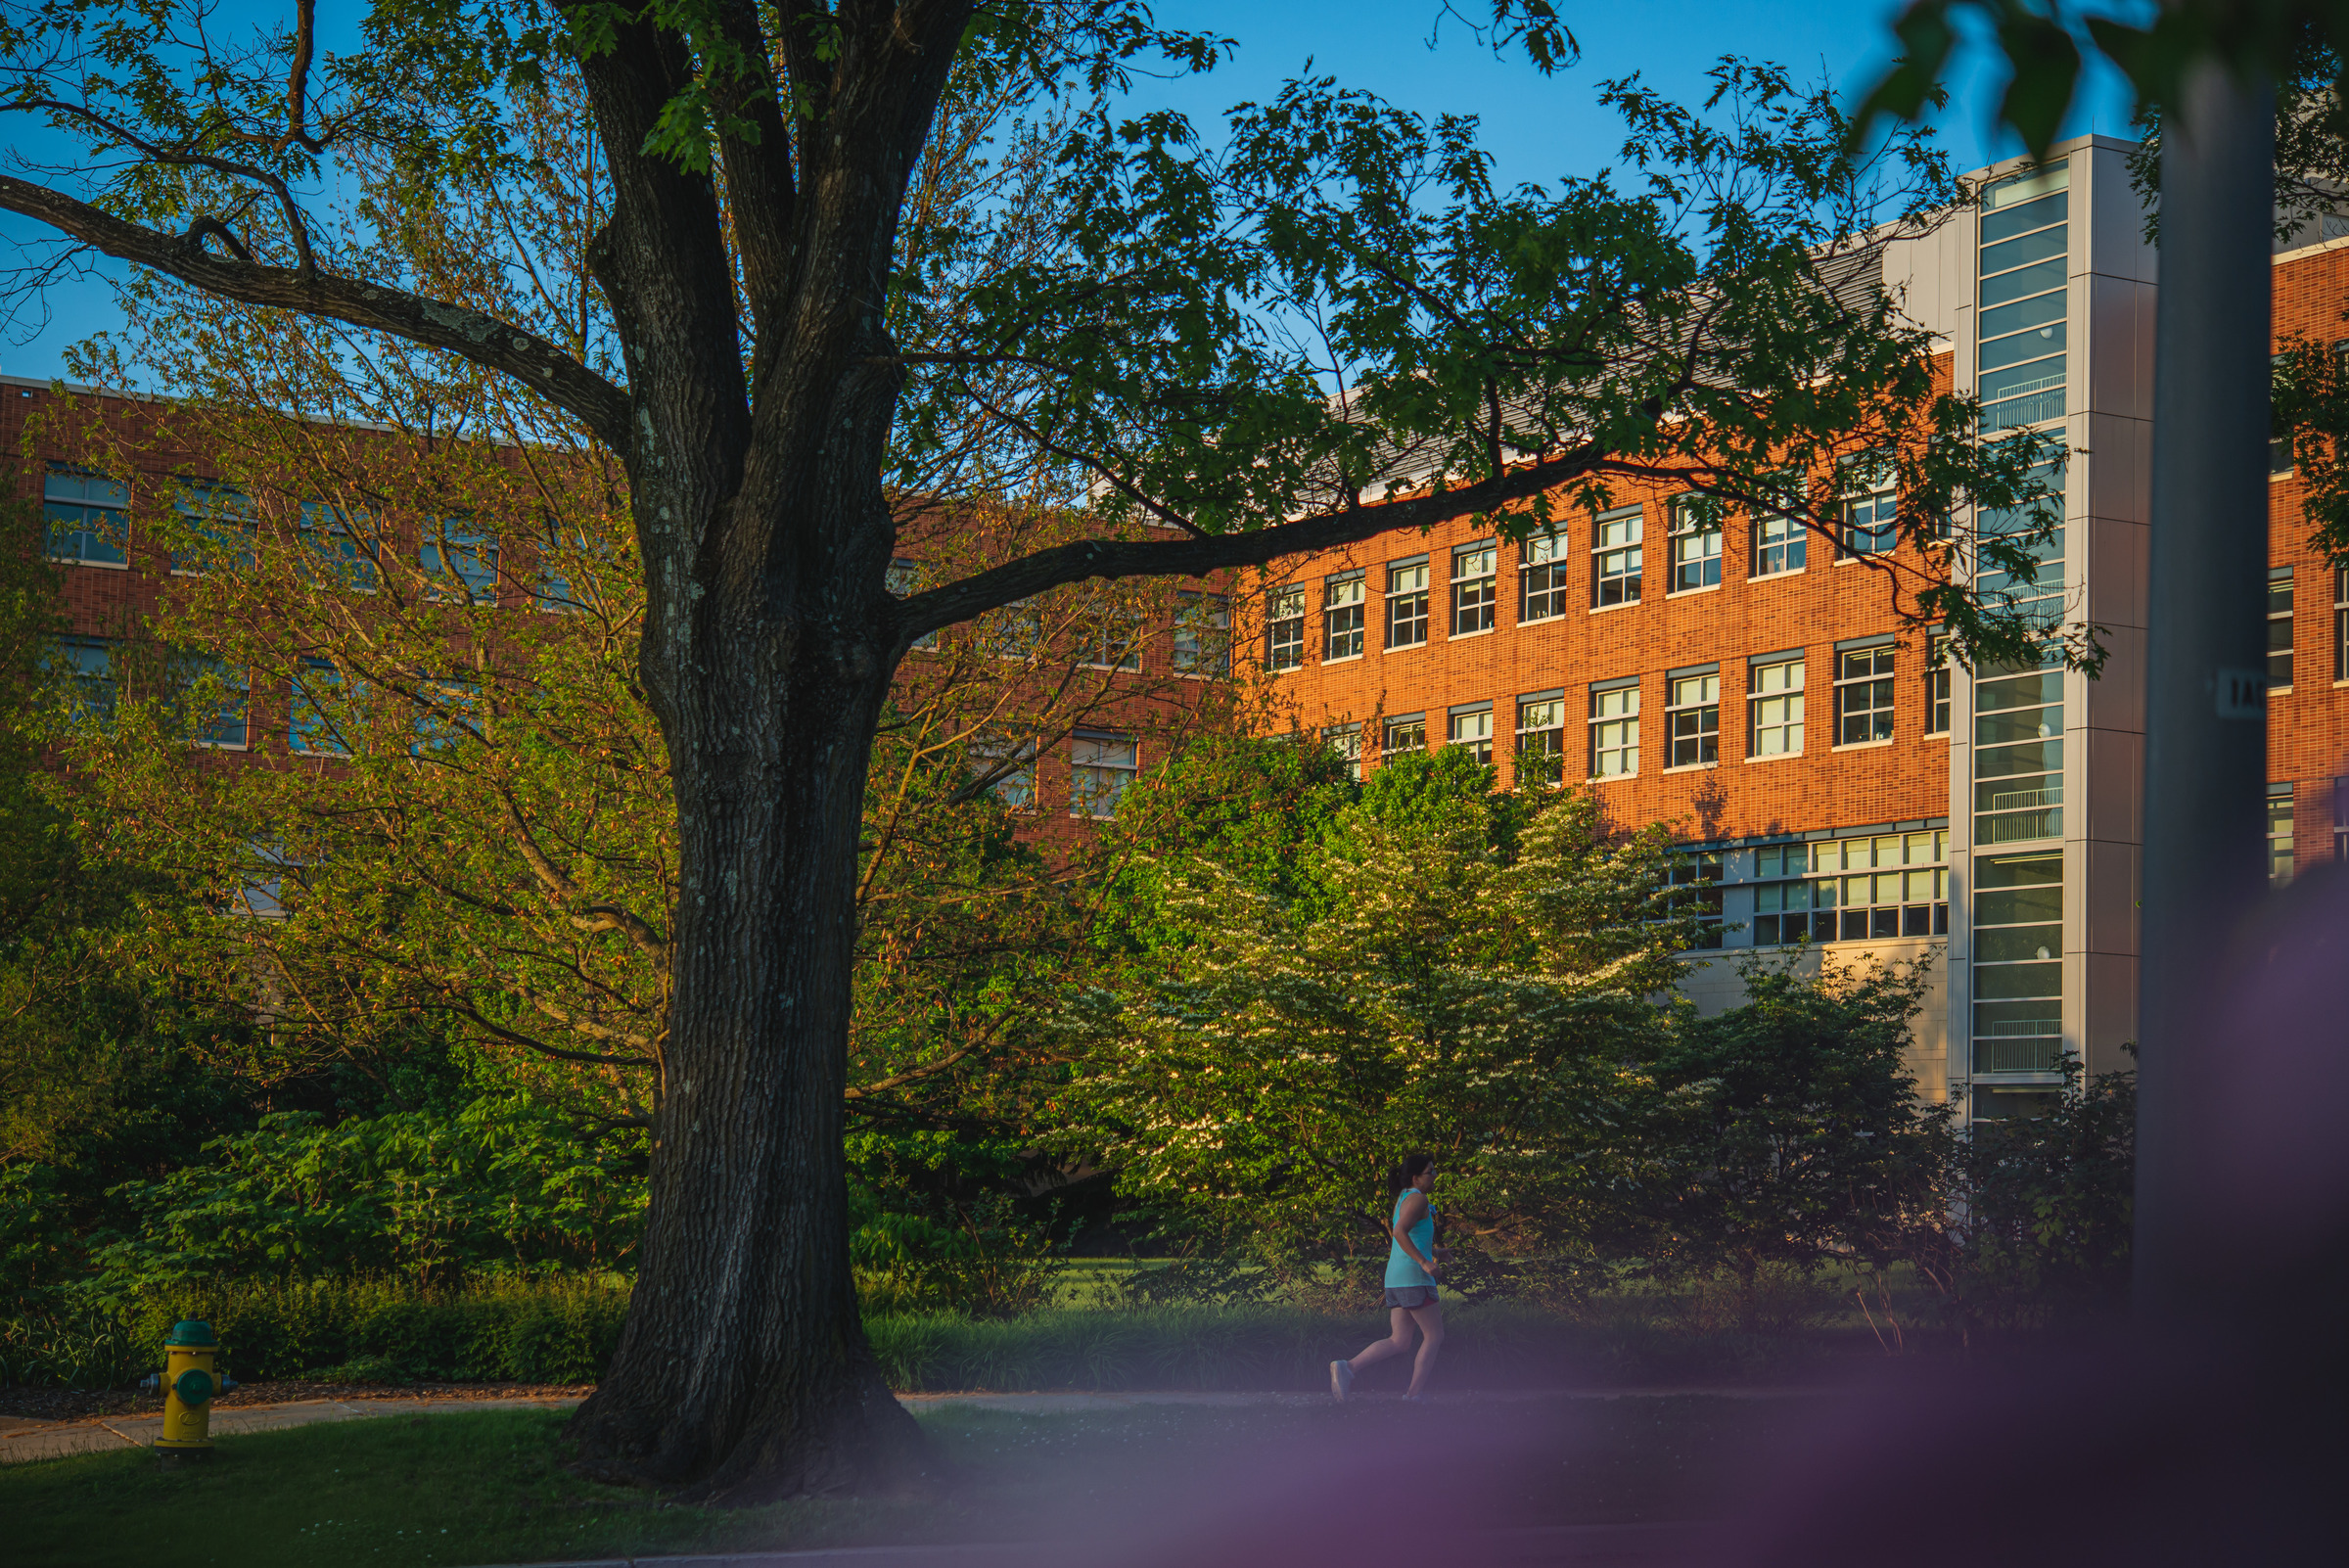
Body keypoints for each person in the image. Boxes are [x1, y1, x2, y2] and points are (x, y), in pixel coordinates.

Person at [1329, 1151, 1448, 1403]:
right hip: (1414, 1278)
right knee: (1434, 1336)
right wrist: (1425, 1262)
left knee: (1400, 1340)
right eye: (1431, 1171)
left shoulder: (1404, 1198)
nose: (1435, 1175)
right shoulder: (1419, 1200)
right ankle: (1414, 1396)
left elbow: (1410, 1238)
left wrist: (1436, 1252)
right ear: (1416, 1178)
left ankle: (1347, 1367)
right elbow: (1399, 1232)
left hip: (1396, 1278)